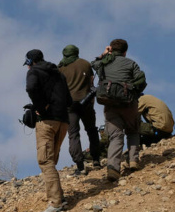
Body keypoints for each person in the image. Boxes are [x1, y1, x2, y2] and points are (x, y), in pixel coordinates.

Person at [25, 49, 72, 212]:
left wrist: (40, 107)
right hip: (63, 120)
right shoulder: (58, 73)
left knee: (45, 160)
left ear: (30, 62)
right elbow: (69, 99)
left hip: (47, 121)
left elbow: (31, 88)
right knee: (52, 158)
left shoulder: (34, 72)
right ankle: (61, 197)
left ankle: (56, 202)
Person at [92, 39, 146, 182]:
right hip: (129, 103)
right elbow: (141, 80)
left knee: (115, 137)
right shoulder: (131, 63)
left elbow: (94, 64)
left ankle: (113, 169)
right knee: (133, 130)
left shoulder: (104, 62)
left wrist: (103, 54)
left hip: (110, 105)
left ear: (111, 49)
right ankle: (133, 161)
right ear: (125, 52)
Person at [58, 44, 102, 175]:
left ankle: (80, 165)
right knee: (92, 130)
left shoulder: (60, 68)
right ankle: (96, 160)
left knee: (73, 134)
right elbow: (91, 81)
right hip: (87, 102)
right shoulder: (85, 64)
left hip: (70, 106)